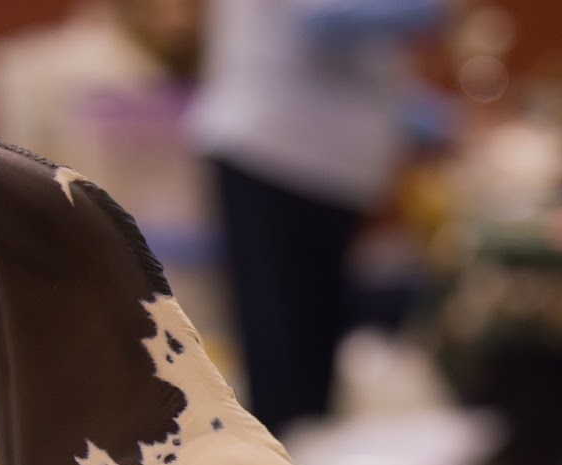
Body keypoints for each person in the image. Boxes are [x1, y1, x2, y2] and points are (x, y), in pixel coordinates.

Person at [190, 0, 449, 437]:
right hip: (274, 153)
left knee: (316, 358)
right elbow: (321, 20)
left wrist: (406, 108)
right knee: (284, 363)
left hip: (325, 165)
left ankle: (306, 462)